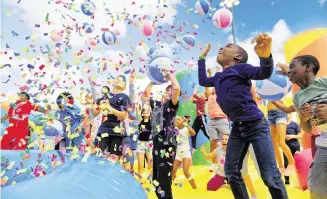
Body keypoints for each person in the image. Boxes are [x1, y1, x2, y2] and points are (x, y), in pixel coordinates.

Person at [198, 34, 288, 199]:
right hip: (237, 129)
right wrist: (201, 58)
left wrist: (265, 56)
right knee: (231, 172)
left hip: (256, 125)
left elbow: (263, 72)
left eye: (227, 47)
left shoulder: (241, 68)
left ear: (237, 56)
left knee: (269, 175)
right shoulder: (218, 77)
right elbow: (203, 80)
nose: (221, 48)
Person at [278, 55, 327, 199]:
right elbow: (306, 129)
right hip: (324, 143)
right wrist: (305, 118)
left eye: (293, 67)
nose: (289, 72)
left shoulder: (323, 82)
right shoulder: (298, 97)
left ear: (308, 67)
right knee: (317, 187)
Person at [144, 73, 181, 199]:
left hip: (167, 144)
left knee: (164, 180)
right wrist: (153, 81)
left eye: (171, 91)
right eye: (167, 90)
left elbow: (177, 88)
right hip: (157, 144)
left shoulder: (172, 105)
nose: (169, 92)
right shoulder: (157, 105)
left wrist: (169, 75)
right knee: (156, 180)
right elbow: (145, 95)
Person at [92, 75, 131, 160]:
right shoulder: (104, 96)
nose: (118, 80)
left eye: (121, 80)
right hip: (104, 129)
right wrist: (95, 105)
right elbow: (95, 112)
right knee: (101, 156)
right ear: (113, 83)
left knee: (114, 158)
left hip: (117, 130)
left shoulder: (124, 97)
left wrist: (110, 108)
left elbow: (124, 115)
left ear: (124, 86)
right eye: (117, 79)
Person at [205, 68, 230, 172]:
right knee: (213, 142)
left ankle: (229, 163)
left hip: (222, 120)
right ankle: (214, 163)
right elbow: (206, 85)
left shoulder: (221, 94)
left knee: (227, 142)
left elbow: (219, 83)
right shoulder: (210, 95)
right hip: (212, 121)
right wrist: (209, 74)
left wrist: (215, 74)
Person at [267, 100, 295, 176]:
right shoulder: (263, 89)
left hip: (280, 113)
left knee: (281, 142)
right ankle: (281, 167)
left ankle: (292, 163)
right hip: (270, 114)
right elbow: (258, 97)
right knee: (274, 144)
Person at [172, 116, 197, 189]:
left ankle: (195, 188)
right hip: (178, 153)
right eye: (176, 119)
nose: (177, 120)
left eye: (179, 119)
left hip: (186, 152)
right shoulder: (175, 129)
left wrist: (187, 125)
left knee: (186, 171)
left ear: (183, 122)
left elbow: (193, 133)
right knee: (173, 171)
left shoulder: (186, 129)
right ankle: (176, 186)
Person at [284, 114, 302, 185]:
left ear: (290, 115)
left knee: (298, 163)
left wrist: (291, 136)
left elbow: (300, 135)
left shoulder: (295, 124)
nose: (286, 114)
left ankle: (301, 179)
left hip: (295, 146)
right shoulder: (282, 125)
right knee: (286, 163)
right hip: (285, 146)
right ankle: (287, 180)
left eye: (287, 113)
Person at [136, 106, 153, 183]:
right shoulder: (140, 121)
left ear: (150, 113)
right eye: (144, 111)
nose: (146, 112)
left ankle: (152, 177)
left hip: (149, 143)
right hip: (141, 143)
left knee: (150, 162)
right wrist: (137, 107)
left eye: (147, 111)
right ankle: (140, 178)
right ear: (142, 114)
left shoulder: (152, 121)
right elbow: (137, 114)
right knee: (140, 162)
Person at [190, 85, 209, 150]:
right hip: (198, 118)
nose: (202, 94)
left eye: (204, 94)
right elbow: (191, 100)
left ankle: (215, 142)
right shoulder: (199, 101)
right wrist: (193, 97)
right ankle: (194, 148)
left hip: (201, 117)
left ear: (205, 98)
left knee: (206, 133)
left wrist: (196, 88)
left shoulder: (202, 100)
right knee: (193, 132)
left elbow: (194, 94)